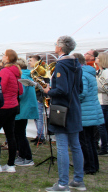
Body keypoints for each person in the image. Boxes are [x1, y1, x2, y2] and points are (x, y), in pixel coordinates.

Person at [42, 36, 85, 191]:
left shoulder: (61, 64)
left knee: (62, 147)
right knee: (75, 145)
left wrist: (49, 90)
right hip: (75, 108)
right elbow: (79, 89)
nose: (55, 46)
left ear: (60, 47)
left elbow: (62, 90)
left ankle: (62, 184)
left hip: (62, 109)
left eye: (56, 44)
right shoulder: (77, 63)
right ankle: (78, 180)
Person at [74, 53, 103, 175]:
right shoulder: (89, 73)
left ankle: (89, 166)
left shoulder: (82, 74)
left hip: (86, 112)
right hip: (91, 110)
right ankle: (94, 165)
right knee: (90, 140)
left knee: (85, 140)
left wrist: (72, 99)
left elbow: (82, 93)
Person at [0, 49, 23, 173]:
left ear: (8, 58)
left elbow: (0, 87)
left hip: (3, 107)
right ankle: (11, 164)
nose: (3, 57)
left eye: (4, 55)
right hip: (13, 106)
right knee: (10, 135)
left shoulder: (5, 71)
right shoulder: (17, 71)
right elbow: (20, 91)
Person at [14, 58, 37, 167]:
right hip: (26, 108)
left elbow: (20, 94)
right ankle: (22, 155)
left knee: (20, 134)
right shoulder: (28, 76)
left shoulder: (22, 78)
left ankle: (27, 157)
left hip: (22, 108)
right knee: (20, 133)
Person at [29, 55, 49, 145]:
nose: (29, 62)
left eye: (31, 60)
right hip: (35, 97)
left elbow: (45, 84)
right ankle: (39, 135)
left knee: (39, 118)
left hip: (39, 97)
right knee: (36, 118)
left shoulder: (40, 71)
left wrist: (41, 98)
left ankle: (41, 137)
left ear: (37, 61)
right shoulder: (34, 72)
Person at [97, 52, 108, 156]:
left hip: (104, 102)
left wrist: (94, 86)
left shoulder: (105, 72)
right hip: (100, 101)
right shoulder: (98, 72)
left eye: (98, 58)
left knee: (102, 126)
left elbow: (106, 87)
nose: (96, 59)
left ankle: (104, 148)